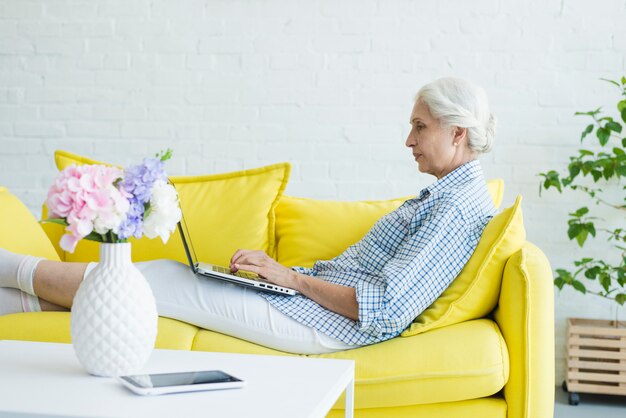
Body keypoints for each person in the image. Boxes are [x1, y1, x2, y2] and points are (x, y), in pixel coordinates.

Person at [0, 77, 497, 354]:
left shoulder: (456, 208)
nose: (409, 140)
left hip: (325, 325)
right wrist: (287, 278)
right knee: (161, 283)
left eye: (419, 126)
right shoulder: (449, 197)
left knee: (161, 282)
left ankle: (8, 269)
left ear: (458, 133)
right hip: (311, 306)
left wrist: (290, 279)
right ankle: (8, 299)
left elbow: (384, 307)